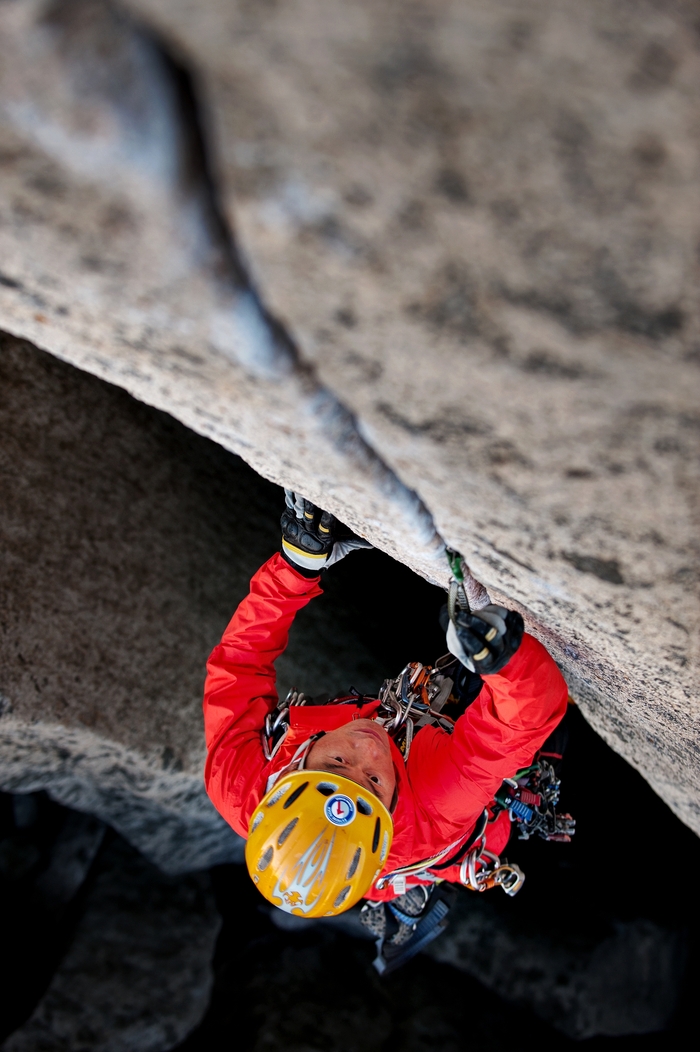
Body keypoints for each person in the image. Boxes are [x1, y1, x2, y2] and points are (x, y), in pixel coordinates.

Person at [203, 493, 572, 972]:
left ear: (290, 771)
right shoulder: (436, 801)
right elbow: (521, 722)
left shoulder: (236, 783)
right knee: (502, 714)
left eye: (335, 763)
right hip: (458, 812)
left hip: (388, 808)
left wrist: (295, 564)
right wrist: (505, 660)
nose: (363, 748)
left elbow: (239, 664)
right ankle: (409, 892)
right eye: (373, 781)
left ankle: (392, 894)